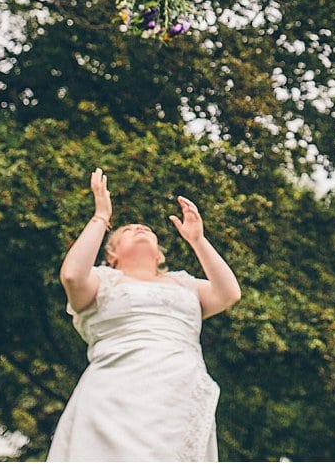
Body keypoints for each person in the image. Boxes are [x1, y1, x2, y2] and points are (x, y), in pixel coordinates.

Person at [48, 168, 241, 462]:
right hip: (115, 394)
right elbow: (73, 276)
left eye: (146, 230)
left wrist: (198, 240)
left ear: (158, 255)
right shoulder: (102, 281)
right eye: (128, 230)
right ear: (111, 254)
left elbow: (229, 293)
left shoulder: (184, 283)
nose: (140, 229)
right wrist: (101, 216)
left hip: (179, 392)